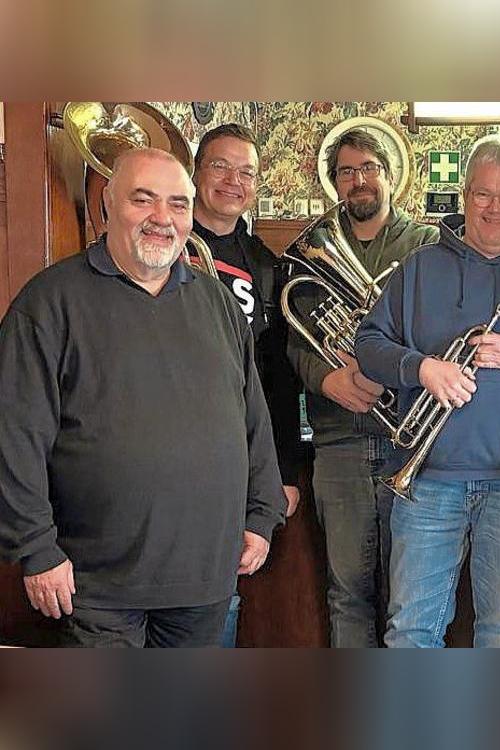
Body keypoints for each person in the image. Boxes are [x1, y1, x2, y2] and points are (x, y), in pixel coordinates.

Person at [0, 148, 286, 647]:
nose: (162, 218)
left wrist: (262, 514)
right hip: (94, 585)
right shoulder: (48, 303)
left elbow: (252, 421)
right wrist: (36, 548)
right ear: (108, 205)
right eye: (143, 199)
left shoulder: (217, 302)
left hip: (205, 579)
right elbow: (13, 435)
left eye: (178, 204)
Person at [355, 134, 500, 648]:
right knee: (410, 630)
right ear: (465, 197)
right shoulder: (419, 267)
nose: (495, 208)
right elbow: (368, 345)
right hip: (428, 480)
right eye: (483, 194)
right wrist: (422, 369)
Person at [286, 127, 438, 647]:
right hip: (340, 442)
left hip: (409, 442)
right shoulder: (309, 253)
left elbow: (439, 332)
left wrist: (384, 359)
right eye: (347, 172)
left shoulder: (425, 244)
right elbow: (295, 341)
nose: (359, 180)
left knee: (408, 596)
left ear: (390, 175)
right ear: (335, 182)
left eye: (369, 168)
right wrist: (327, 379)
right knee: (346, 593)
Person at [192, 123, 304, 646]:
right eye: (220, 166)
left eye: (246, 172)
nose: (232, 181)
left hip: (232, 454)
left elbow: (278, 378)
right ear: (196, 173)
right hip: (155, 451)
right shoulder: (161, 246)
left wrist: (284, 472)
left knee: (220, 593)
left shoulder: (264, 265)